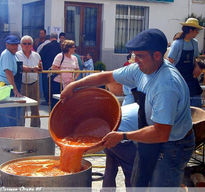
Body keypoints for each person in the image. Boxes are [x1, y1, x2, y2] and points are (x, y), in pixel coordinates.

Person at [60, 29, 195, 187]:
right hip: (150, 134)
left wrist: (123, 136)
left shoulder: (166, 85)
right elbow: (107, 76)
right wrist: (75, 85)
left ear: (157, 55)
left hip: (173, 144)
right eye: (134, 55)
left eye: (140, 56)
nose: (135, 60)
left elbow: (161, 132)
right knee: (139, 182)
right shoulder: (141, 69)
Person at [0, 35, 38, 127]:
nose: (14, 47)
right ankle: (6, 136)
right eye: (12, 45)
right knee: (7, 114)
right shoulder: (7, 55)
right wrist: (15, 90)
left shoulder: (13, 55)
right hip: (6, 87)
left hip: (10, 87)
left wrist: (33, 69)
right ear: (7, 45)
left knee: (13, 113)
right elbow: (8, 72)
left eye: (16, 45)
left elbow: (20, 67)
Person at [168, 18, 204, 107]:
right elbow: (170, 62)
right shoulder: (177, 43)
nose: (197, 33)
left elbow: (195, 58)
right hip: (179, 77)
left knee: (196, 100)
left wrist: (197, 67)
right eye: (197, 30)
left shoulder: (194, 43)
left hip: (191, 76)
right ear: (191, 30)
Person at [16, 35, 42, 127]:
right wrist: (32, 69)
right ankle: (20, 129)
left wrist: (39, 69)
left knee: (35, 108)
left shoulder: (37, 55)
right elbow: (19, 67)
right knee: (22, 109)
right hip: (22, 84)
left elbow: (40, 68)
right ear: (21, 44)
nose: (27, 45)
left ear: (32, 44)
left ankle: (36, 130)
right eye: (24, 43)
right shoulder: (17, 55)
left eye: (29, 43)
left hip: (34, 83)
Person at [40, 32, 61, 105]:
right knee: (56, 85)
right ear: (57, 38)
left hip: (47, 69)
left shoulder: (46, 46)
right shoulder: (60, 46)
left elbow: (40, 56)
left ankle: (48, 100)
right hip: (59, 70)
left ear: (50, 38)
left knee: (46, 85)